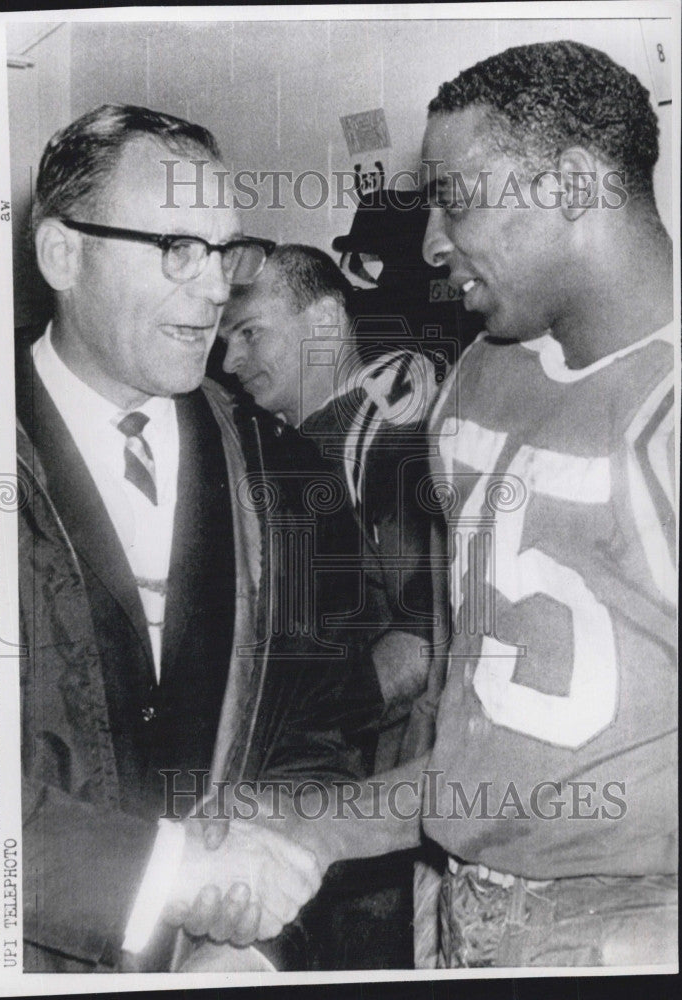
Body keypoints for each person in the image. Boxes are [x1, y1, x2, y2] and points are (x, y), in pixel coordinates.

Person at [202, 40, 678, 969]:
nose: (428, 241)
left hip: (633, 922)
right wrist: (317, 821)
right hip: (453, 898)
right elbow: (487, 748)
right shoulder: (477, 376)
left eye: (455, 198)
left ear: (572, 185)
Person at [17, 103, 374, 973]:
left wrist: (248, 937)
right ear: (63, 253)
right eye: (177, 247)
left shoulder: (284, 474)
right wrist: (164, 872)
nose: (215, 288)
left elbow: (320, 729)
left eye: (225, 253)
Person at [219, 244, 441, 749]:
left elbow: (427, 636)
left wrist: (295, 736)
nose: (230, 361)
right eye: (224, 340)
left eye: (250, 333)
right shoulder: (261, 438)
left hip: (366, 769)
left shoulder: (392, 434)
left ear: (324, 321)